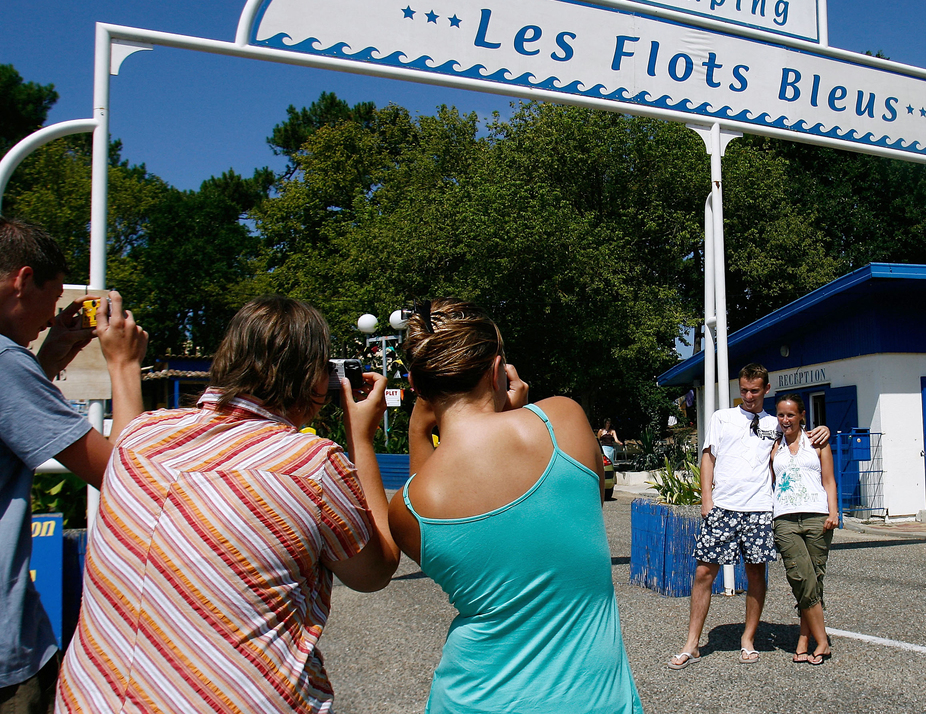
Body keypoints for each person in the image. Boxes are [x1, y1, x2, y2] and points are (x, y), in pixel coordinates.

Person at [56, 295, 400, 713]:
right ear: (311, 375)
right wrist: (359, 438)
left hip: (92, 698)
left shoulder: (139, 439)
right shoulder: (311, 466)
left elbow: (130, 437)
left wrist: (124, 366)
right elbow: (374, 572)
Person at [389, 298, 642, 714]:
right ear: (496, 370)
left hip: (473, 701)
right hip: (597, 701)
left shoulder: (408, 507)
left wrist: (419, 430)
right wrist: (517, 411)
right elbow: (582, 508)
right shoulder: (565, 418)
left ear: (417, 387)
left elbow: (435, 526)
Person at [0, 216, 147, 714]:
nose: (53, 314)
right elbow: (123, 476)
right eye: (54, 296)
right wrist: (124, 366)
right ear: (23, 280)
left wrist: (53, 351)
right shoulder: (5, 364)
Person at [667, 363, 828, 669]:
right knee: (704, 572)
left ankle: (748, 639)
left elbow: (801, 433)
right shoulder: (722, 417)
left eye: (755, 391)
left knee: (756, 573)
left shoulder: (775, 422)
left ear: (766, 389)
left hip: (759, 509)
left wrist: (825, 428)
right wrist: (707, 498)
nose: (749, 396)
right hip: (723, 507)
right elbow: (708, 456)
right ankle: (692, 644)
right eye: (743, 390)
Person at [770, 393, 838, 665]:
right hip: (785, 519)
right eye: (781, 415)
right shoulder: (775, 447)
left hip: (817, 518)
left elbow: (829, 481)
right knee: (800, 577)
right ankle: (822, 641)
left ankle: (803, 639)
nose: (785, 420)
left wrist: (834, 513)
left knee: (815, 579)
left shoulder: (817, 443)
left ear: (801, 417)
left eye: (790, 415)